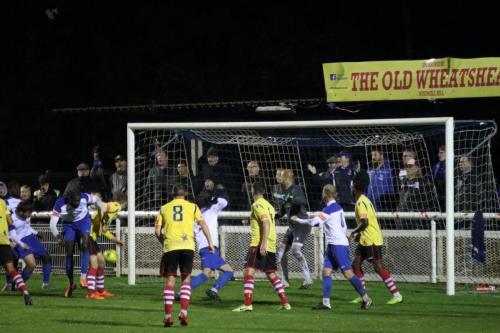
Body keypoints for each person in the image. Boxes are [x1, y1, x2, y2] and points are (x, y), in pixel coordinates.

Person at [290, 184, 372, 310]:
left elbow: (313, 222)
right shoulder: (337, 207)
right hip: (333, 244)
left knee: (348, 273)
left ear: (326, 194)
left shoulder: (329, 210)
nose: (322, 195)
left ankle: (366, 298)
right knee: (326, 272)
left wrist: (298, 219)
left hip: (338, 245)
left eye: (323, 192)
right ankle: (326, 302)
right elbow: (337, 223)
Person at [155, 184, 214, 327]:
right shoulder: (193, 207)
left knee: (170, 280)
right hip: (187, 246)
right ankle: (184, 313)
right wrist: (210, 242)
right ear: (185, 194)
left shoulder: (163, 208)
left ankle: (168, 316)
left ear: (172, 194)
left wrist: (164, 242)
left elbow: (157, 232)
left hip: (171, 246)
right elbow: (203, 224)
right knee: (186, 279)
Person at [232, 182, 291, 312]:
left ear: (252, 191)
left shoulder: (257, 204)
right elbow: (266, 221)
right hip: (271, 243)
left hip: (259, 243)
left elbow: (265, 223)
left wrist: (262, 243)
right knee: (271, 274)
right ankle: (286, 303)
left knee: (248, 270)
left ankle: (247, 304)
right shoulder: (268, 205)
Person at [349, 180, 403, 305]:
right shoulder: (364, 200)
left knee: (378, 267)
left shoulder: (361, 203)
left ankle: (397, 295)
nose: (351, 190)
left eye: (352, 188)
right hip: (365, 239)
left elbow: (365, 223)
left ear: (355, 189)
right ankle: (363, 295)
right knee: (356, 264)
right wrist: (359, 235)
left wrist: (353, 233)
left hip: (371, 239)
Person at [50, 191, 106, 297]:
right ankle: (71, 283)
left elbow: (97, 200)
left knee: (85, 244)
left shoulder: (84, 197)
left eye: (78, 200)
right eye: (75, 201)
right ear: (69, 199)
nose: (77, 203)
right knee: (69, 252)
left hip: (83, 222)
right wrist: (58, 236)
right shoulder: (60, 203)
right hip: (68, 225)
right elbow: (52, 224)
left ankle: (83, 277)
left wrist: (103, 213)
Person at [179, 190, 233, 301]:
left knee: (217, 271)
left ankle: (212, 291)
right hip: (209, 247)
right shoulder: (212, 210)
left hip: (206, 248)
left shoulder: (196, 215)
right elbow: (225, 202)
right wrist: (215, 198)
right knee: (218, 272)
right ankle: (183, 293)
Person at [274, 169, 313, 289]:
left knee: (295, 250)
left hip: (301, 224)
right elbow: (282, 211)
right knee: (279, 253)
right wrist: (272, 216)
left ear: (287, 178)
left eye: (280, 175)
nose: (277, 177)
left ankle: (308, 279)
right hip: (292, 226)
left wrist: (288, 198)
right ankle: (285, 281)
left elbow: (303, 201)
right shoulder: (281, 190)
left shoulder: (296, 189)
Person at [9, 201, 52, 289]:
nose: (29, 215)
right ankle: (17, 284)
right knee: (31, 264)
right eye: (28, 213)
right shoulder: (11, 219)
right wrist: (20, 244)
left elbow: (27, 227)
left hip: (30, 238)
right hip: (19, 241)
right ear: (21, 211)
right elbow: (12, 235)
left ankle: (46, 284)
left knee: (47, 256)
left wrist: (36, 233)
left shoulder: (25, 215)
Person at [86, 202, 124, 300]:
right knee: (94, 264)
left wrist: (117, 241)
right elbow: (99, 209)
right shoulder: (102, 214)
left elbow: (105, 232)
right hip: (87, 237)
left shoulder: (107, 218)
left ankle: (100, 290)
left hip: (92, 240)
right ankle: (90, 293)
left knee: (101, 262)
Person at [0, 197, 33, 305]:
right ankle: (25, 292)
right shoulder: (2, 202)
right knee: (12, 270)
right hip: (4, 242)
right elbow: (10, 221)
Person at [433, 145, 446, 210]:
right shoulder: (436, 166)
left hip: (449, 198)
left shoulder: (453, 166)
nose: (439, 155)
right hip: (438, 199)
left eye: (441, 152)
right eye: (439, 152)